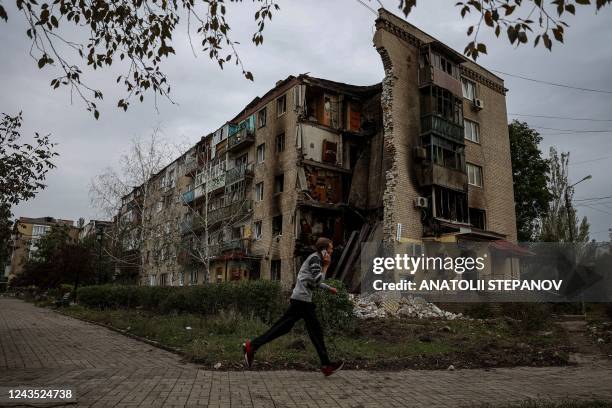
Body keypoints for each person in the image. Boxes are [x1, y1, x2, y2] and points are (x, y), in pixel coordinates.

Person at [242, 237, 344, 376]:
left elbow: (314, 281)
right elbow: (318, 278)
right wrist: (326, 266)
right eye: (331, 248)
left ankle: (252, 346)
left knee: (284, 327)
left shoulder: (315, 259)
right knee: (315, 331)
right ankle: (326, 365)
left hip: (301, 300)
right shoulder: (316, 260)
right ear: (324, 250)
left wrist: (329, 288)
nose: (332, 251)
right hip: (302, 301)